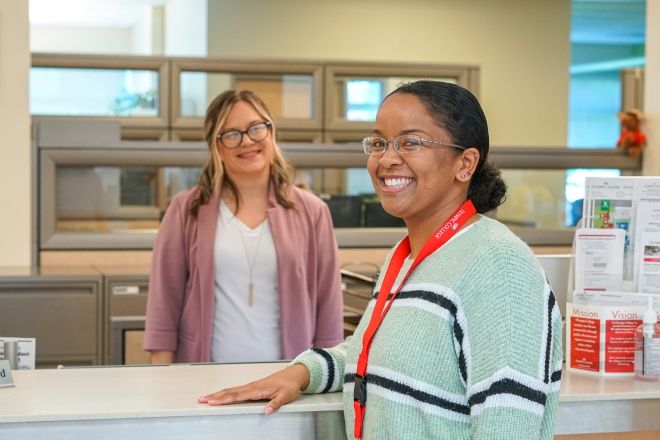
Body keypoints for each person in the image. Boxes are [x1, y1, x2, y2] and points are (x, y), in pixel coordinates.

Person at [198, 81, 563, 439]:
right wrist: (299, 374)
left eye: (410, 142)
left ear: (465, 164)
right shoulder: (406, 256)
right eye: (379, 143)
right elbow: (372, 356)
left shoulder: (499, 268)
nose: (387, 159)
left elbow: (508, 428)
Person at [144, 90, 344, 364]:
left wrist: (325, 379)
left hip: (288, 384)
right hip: (202, 381)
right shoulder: (185, 210)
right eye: (231, 134)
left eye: (256, 128)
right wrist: (163, 384)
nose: (247, 141)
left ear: (271, 133)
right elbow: (163, 306)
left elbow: (329, 311)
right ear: (216, 146)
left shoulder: (312, 212)